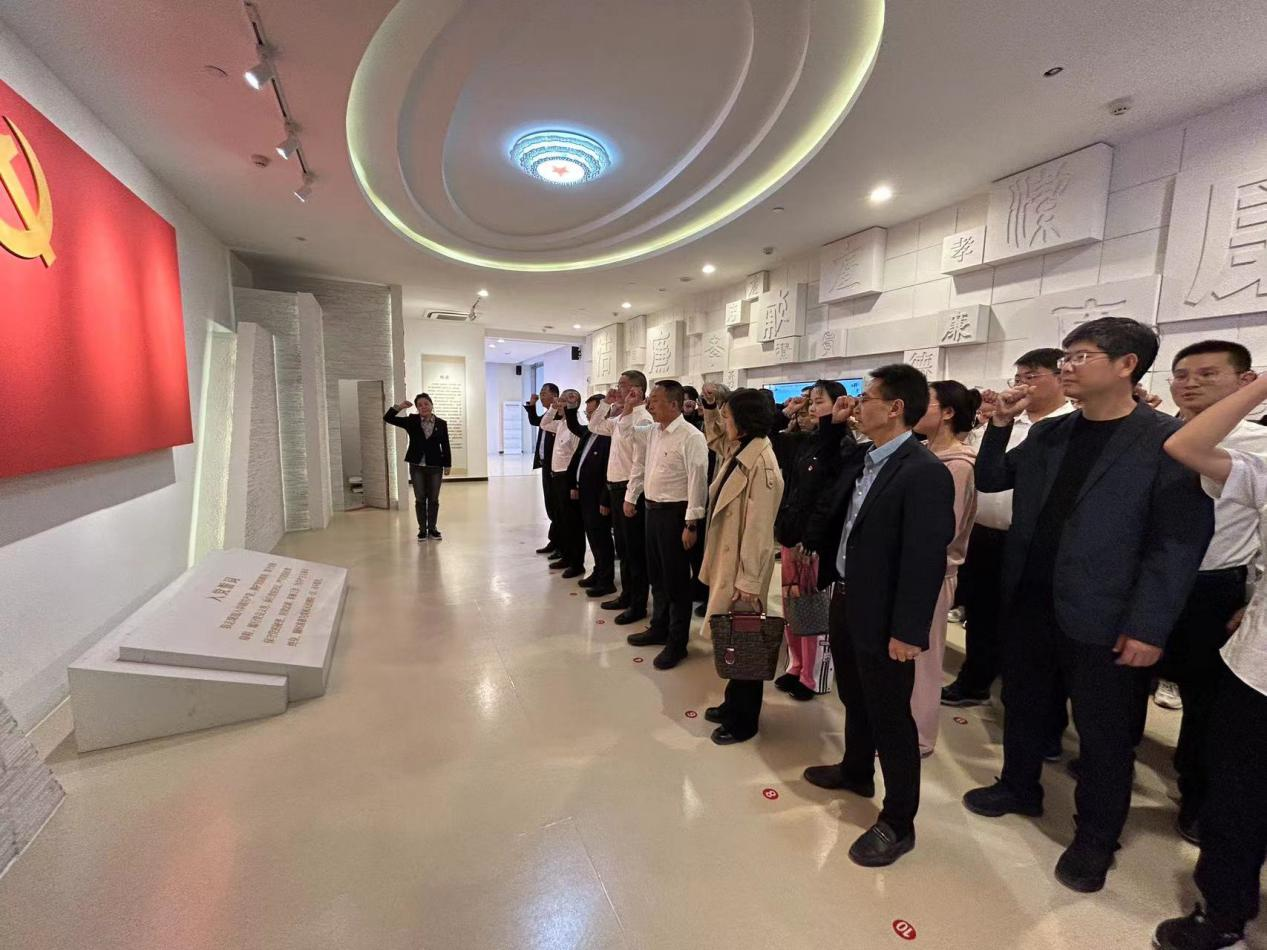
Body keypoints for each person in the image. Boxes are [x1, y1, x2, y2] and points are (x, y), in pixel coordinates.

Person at [961, 317, 1214, 894]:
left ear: (1127, 365)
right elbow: (993, 479)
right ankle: (1019, 786)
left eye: (1081, 356)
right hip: (1031, 600)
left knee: (1104, 735)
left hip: (1107, 615)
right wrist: (1000, 425)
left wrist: (1149, 627)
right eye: (1066, 357)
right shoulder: (1053, 432)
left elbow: (1177, 544)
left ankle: (1096, 837)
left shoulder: (1165, 441)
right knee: (1023, 704)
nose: (1067, 367)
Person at [800, 364, 955, 868]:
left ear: (895, 408)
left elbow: (925, 559)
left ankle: (899, 820)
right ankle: (855, 769)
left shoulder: (923, 471)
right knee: (854, 694)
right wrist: (833, 428)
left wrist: (908, 632)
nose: (857, 405)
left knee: (891, 716)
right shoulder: (864, 456)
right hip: (847, 597)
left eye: (866, 398)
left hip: (886, 614)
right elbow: (824, 486)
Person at [1153, 369, 1267, 950]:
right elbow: (1186, 445)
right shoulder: (1263, 462)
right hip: (1258, 668)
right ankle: (1224, 914)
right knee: (1238, 795)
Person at [942, 349, 1073, 707]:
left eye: (1031, 376)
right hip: (984, 533)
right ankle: (975, 682)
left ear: (1060, 378)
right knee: (981, 613)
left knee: (1023, 622)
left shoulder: (1067, 426)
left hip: (1029, 541)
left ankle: (1022, 695)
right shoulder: (1009, 422)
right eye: (1018, 377)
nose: (1022, 385)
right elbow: (986, 474)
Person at [695, 389, 784, 744]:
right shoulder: (742, 450)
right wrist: (711, 407)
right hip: (729, 562)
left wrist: (748, 581)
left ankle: (745, 721)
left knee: (745, 642)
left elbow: (760, 532)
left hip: (743, 571)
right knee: (732, 637)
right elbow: (715, 437)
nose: (724, 422)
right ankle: (733, 703)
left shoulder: (762, 465)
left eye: (728, 417)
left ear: (744, 422)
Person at [770, 381, 852, 702]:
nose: (813, 407)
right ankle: (796, 665)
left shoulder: (842, 445)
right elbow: (773, 440)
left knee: (814, 610)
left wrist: (812, 539)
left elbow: (830, 499)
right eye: (811, 402)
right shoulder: (808, 440)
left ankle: (813, 676)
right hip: (792, 537)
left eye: (820, 401)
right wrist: (785, 412)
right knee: (793, 605)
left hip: (814, 544)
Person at [910, 380, 978, 757]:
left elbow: (943, 530)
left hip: (933, 571)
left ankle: (919, 735)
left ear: (948, 412)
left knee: (925, 657)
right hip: (909, 567)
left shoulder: (959, 465)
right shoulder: (923, 453)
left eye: (927, 403)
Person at [624, 379, 709, 670]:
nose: (650, 405)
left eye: (655, 400)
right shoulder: (653, 431)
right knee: (656, 576)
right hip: (652, 512)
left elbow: (698, 482)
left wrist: (692, 524)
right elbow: (627, 434)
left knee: (676, 582)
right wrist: (630, 407)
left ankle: (677, 642)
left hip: (676, 515)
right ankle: (658, 627)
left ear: (674, 404)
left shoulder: (691, 436)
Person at [589, 371, 654, 624]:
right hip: (615, 488)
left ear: (637, 389)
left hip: (631, 489)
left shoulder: (643, 418)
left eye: (623, 385)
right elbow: (595, 426)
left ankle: (638, 604)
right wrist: (606, 403)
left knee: (634, 551)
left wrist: (631, 496)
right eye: (618, 384)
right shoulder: (620, 417)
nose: (619, 389)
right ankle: (627, 595)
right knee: (624, 549)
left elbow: (640, 460)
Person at [384, 394, 452, 541]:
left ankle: (432, 529)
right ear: (417, 408)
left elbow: (445, 444)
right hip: (417, 466)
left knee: (433, 499)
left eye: (426, 403)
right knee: (420, 498)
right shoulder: (412, 420)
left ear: (431, 405)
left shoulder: (441, 423)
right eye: (419, 405)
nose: (423, 407)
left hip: (435, 466)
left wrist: (447, 464)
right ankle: (422, 530)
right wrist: (399, 407)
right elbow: (388, 418)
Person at [570, 394, 617, 598]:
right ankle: (598, 571)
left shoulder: (609, 436)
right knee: (593, 537)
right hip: (586, 494)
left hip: (599, 497)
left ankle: (606, 580)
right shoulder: (590, 432)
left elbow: (610, 471)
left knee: (602, 538)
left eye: (592, 412)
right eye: (587, 413)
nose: (589, 417)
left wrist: (605, 499)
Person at [539, 389, 586, 579]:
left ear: (574, 403)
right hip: (556, 477)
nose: (561, 403)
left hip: (568, 478)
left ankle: (576, 562)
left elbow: (577, 457)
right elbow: (544, 424)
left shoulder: (576, 426)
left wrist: (574, 484)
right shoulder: (561, 423)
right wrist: (552, 408)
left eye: (565, 400)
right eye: (561, 399)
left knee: (572, 522)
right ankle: (566, 556)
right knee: (562, 519)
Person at [525, 384, 560, 555]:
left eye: (544, 393)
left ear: (555, 396)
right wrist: (532, 404)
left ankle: (560, 544)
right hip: (546, 465)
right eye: (541, 393)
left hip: (556, 467)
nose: (541, 397)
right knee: (550, 504)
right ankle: (554, 541)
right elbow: (535, 421)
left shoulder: (560, 416)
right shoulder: (548, 414)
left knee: (557, 506)